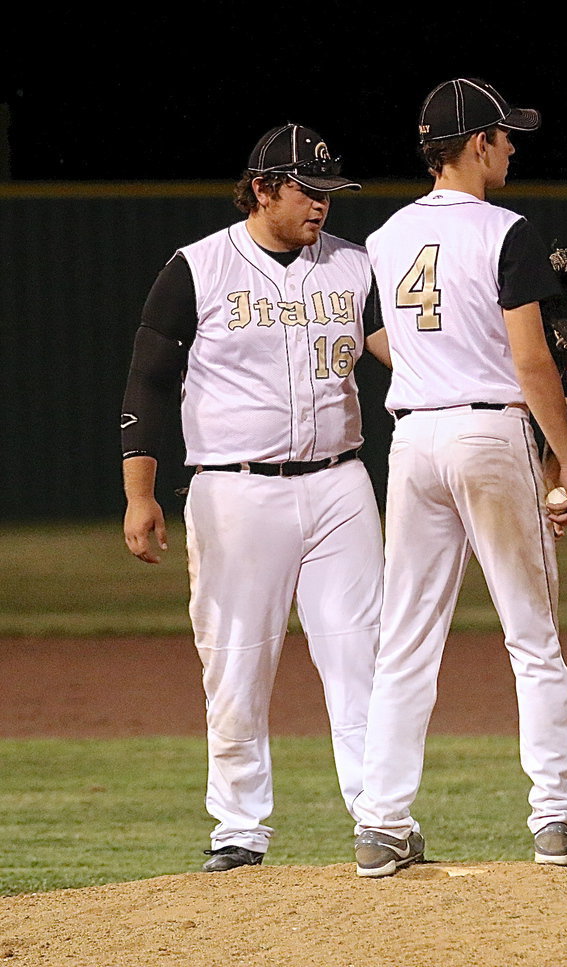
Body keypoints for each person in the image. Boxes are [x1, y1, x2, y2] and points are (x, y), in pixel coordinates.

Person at [120, 123, 387, 871]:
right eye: (309, 190)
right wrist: (141, 493)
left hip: (340, 483)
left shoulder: (355, 268)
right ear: (263, 187)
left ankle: (381, 815)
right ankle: (239, 828)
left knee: (360, 654)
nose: (323, 206)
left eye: (330, 192)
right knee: (235, 662)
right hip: (235, 489)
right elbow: (147, 382)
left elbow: (404, 352)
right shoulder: (198, 268)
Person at [352, 78, 567, 877]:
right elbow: (530, 361)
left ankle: (382, 823)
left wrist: (433, 361)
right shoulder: (507, 231)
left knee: (406, 638)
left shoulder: (383, 237)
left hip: (413, 435)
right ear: (477, 145)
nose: (513, 147)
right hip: (490, 430)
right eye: (504, 136)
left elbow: (377, 336)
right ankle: (554, 816)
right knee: (531, 633)